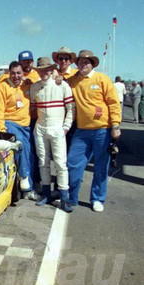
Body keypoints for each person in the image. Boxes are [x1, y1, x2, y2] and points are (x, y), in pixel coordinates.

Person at [67, 50, 121, 212]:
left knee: (101, 166)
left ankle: (97, 198)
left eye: (86, 62)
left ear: (92, 64)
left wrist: (116, 125)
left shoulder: (102, 79)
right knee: (73, 163)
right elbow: (60, 83)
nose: (82, 65)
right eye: (80, 62)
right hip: (82, 131)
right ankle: (71, 196)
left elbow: (113, 103)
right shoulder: (72, 81)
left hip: (102, 130)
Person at [30, 57, 75, 212]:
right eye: (40, 70)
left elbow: (71, 108)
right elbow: (32, 109)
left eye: (46, 69)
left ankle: (64, 198)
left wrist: (65, 127)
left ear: (52, 70)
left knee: (61, 164)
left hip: (57, 128)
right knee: (43, 162)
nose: (43, 72)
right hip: (40, 129)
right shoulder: (34, 88)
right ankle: (47, 195)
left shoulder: (62, 85)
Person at [0, 61, 37, 200]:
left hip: (26, 126)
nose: (16, 76)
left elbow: (40, 80)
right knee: (20, 146)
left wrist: (29, 80)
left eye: (19, 73)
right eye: (13, 73)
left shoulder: (27, 85)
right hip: (10, 123)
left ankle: (30, 184)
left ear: (23, 73)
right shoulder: (2, 87)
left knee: (30, 155)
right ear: (9, 73)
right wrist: (2, 130)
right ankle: (25, 181)